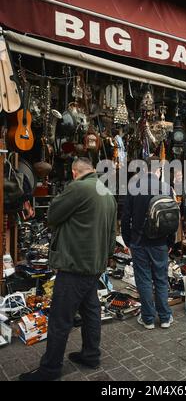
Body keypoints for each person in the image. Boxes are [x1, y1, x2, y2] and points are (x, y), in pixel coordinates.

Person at [19, 158, 117, 381]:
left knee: (60, 318)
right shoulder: (106, 191)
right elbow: (112, 233)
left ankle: (50, 369)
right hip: (93, 265)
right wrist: (104, 259)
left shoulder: (79, 188)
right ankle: (91, 355)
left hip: (75, 265)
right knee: (91, 311)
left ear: (74, 172)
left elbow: (52, 217)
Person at [121, 157, 174, 330]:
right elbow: (172, 218)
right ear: (158, 171)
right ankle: (165, 318)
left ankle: (148, 319)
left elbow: (125, 217)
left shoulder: (133, 187)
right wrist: (170, 242)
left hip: (138, 241)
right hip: (160, 242)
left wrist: (127, 240)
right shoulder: (166, 188)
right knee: (161, 278)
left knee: (143, 279)